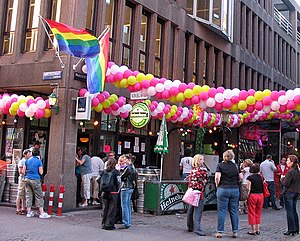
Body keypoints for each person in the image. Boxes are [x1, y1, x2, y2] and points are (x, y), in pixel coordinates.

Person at [214, 150, 243, 238]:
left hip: (223, 188)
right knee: (234, 211)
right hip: (234, 189)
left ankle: (220, 231)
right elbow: (241, 177)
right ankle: (235, 231)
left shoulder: (220, 165)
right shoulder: (236, 166)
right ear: (232, 157)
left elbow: (217, 178)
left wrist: (217, 186)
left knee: (222, 211)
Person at [22, 148, 50, 218]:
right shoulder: (38, 161)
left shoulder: (27, 160)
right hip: (35, 179)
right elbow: (41, 172)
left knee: (29, 195)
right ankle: (42, 212)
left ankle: (29, 212)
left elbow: (23, 171)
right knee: (39, 196)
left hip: (27, 179)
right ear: (38, 153)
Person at [186, 154, 209, 236]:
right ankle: (197, 229)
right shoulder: (203, 171)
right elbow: (206, 180)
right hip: (199, 192)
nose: (203, 161)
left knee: (190, 209)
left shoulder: (193, 170)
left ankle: (190, 226)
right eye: (202, 159)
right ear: (199, 161)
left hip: (191, 191)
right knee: (198, 211)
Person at [281, 155, 300, 236]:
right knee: (294, 210)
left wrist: (282, 178)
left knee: (289, 211)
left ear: (292, 162)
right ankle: (296, 228)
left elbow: (285, 183)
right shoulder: (297, 170)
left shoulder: (290, 171)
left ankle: (291, 229)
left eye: (288, 160)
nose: (287, 162)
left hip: (289, 192)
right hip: (296, 192)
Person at [101, 158, 121, 230]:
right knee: (112, 209)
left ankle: (103, 223)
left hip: (104, 192)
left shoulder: (103, 172)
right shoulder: (116, 172)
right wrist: (118, 190)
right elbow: (119, 182)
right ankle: (109, 224)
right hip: (113, 192)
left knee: (105, 208)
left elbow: (98, 179)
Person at [246, 163, 264, 235]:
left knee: (251, 212)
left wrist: (246, 197)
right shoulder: (261, 177)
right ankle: (258, 229)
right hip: (260, 195)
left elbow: (248, 188)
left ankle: (253, 230)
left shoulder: (249, 178)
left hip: (253, 195)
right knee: (258, 212)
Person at [119, 154, 136, 229]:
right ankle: (128, 221)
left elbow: (122, 177)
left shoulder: (128, 168)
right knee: (128, 205)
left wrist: (121, 175)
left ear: (129, 160)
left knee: (124, 205)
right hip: (131, 187)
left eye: (125, 159)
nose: (124, 160)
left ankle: (126, 222)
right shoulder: (133, 168)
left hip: (125, 187)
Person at [16, 149, 32, 215]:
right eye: (28, 154)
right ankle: (18, 209)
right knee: (20, 194)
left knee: (25, 194)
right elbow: (20, 171)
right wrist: (26, 172)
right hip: (22, 179)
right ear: (25, 155)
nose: (30, 155)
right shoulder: (22, 161)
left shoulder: (28, 161)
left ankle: (23, 208)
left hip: (26, 179)